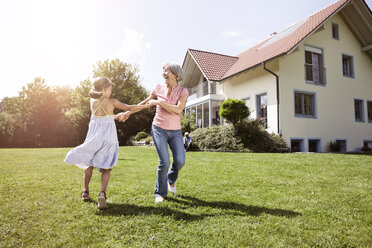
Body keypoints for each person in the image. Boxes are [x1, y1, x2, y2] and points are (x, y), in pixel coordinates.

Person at [64, 76, 149, 209]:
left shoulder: (92, 101)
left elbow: (101, 118)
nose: (111, 91)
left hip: (94, 136)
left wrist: (116, 116)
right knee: (107, 166)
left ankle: (85, 191)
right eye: (110, 89)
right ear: (104, 89)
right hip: (108, 137)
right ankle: (102, 193)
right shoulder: (111, 101)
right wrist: (148, 105)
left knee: (89, 163)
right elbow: (129, 107)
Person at [116, 62, 189, 203]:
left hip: (175, 131)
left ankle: (171, 179)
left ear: (175, 74)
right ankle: (160, 193)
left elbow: (178, 110)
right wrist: (128, 112)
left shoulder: (182, 92)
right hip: (159, 129)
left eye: (166, 70)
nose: (163, 73)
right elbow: (145, 103)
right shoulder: (158, 88)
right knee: (165, 161)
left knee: (180, 160)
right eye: (163, 70)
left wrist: (159, 103)